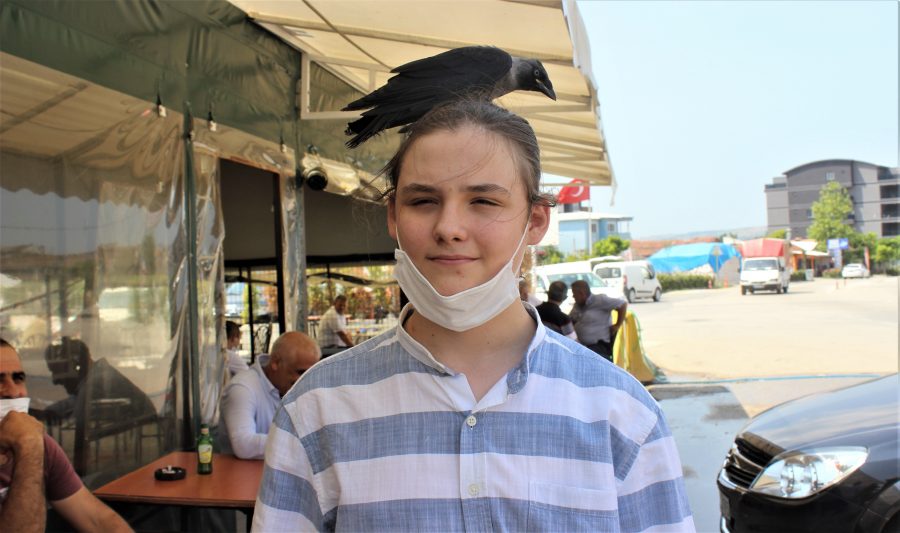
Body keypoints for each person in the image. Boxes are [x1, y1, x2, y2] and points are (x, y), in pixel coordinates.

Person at [253, 101, 693, 531]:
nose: (448, 227)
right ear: (393, 216)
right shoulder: (315, 409)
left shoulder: (623, 414)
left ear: (536, 221)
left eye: (483, 200)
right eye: (423, 200)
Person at [0, 338, 132, 533]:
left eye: (18, 379)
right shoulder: (31, 444)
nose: (13, 392)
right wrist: (29, 448)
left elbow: (97, 520)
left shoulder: (38, 443)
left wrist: (30, 445)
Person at [220, 332, 320, 459]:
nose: (306, 380)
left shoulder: (290, 386)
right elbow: (243, 444)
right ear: (276, 362)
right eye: (301, 372)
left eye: (311, 373)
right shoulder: (242, 388)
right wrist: (303, 444)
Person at [569, 279, 628, 361]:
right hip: (581, 345)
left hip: (598, 347)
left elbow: (622, 304)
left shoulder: (600, 300)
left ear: (582, 293)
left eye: (574, 294)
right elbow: (570, 319)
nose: (573, 296)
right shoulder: (578, 305)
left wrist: (617, 325)